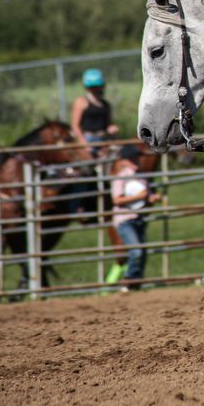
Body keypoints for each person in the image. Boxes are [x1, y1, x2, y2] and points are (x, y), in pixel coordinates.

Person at [109, 145, 160, 291]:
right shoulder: (121, 177)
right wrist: (138, 197)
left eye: (137, 157)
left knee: (142, 252)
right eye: (133, 158)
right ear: (125, 160)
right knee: (137, 250)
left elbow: (145, 197)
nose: (136, 160)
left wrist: (151, 198)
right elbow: (117, 200)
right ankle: (129, 280)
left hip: (138, 218)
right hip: (124, 219)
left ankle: (135, 284)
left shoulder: (141, 177)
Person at [70, 68, 119, 151]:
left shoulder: (106, 105)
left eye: (97, 86)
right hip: (88, 139)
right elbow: (75, 126)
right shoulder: (81, 102)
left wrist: (111, 129)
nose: (95, 89)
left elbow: (108, 124)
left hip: (103, 139)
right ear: (87, 87)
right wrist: (83, 143)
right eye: (92, 87)